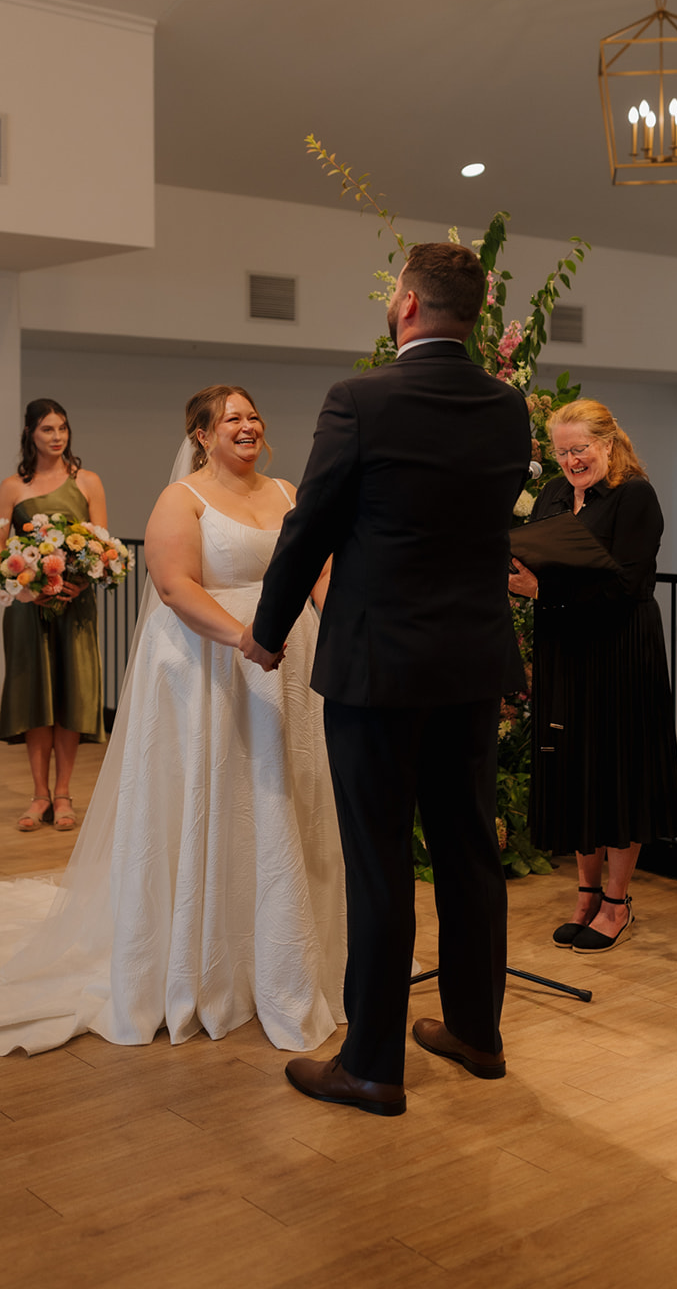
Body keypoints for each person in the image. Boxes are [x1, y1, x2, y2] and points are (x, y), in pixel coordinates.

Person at [0, 387, 344, 1056]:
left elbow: (320, 566)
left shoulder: (286, 491)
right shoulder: (180, 499)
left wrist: (333, 630)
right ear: (200, 434)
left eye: (253, 416)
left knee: (286, 798)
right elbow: (172, 585)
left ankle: (290, 953)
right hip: (214, 660)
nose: (247, 427)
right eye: (232, 419)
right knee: (209, 799)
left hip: (290, 664)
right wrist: (246, 639)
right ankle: (199, 949)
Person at [242, 241, 532, 1117]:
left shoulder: (360, 400)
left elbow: (311, 526)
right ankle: (476, 1033)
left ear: (406, 304)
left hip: (377, 668)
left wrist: (267, 631)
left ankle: (370, 1064)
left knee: (379, 864)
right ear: (472, 312)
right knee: (469, 851)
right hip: (471, 663)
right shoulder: (507, 406)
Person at [508, 399, 677, 952]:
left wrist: (544, 590)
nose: (570, 461)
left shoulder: (635, 496)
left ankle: (616, 901)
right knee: (574, 769)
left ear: (608, 444)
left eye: (579, 449)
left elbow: (627, 587)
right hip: (567, 646)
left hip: (619, 648)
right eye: (561, 452)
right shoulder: (555, 496)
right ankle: (584, 894)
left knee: (616, 771)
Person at [0, 398, 107, 832]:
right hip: (29, 610)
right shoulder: (11, 487)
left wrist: (81, 581)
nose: (56, 436)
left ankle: (63, 795)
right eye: (47, 430)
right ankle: (38, 794)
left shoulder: (89, 482)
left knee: (71, 695)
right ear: (30, 435)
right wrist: (25, 589)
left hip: (75, 605)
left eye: (62, 428)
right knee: (36, 697)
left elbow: (103, 546)